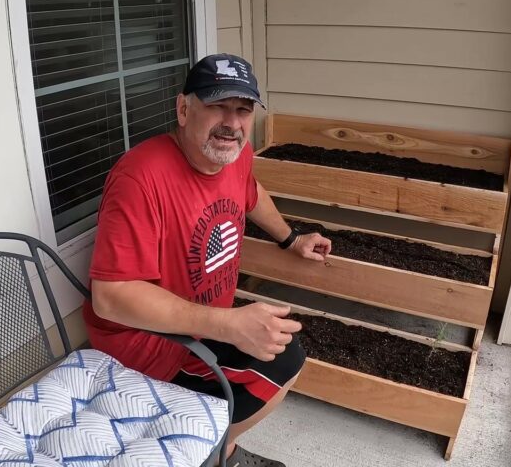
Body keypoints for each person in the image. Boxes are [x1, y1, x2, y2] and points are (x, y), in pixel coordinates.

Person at [83, 53, 332, 467]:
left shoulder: (234, 155)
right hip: (148, 347)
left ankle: (218, 449)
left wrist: (291, 239)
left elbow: (250, 193)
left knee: (282, 351)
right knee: (283, 363)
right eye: (217, 104)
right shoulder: (140, 178)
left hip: (198, 324)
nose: (231, 123)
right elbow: (110, 296)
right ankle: (217, 453)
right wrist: (228, 323)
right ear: (184, 109)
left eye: (242, 109)